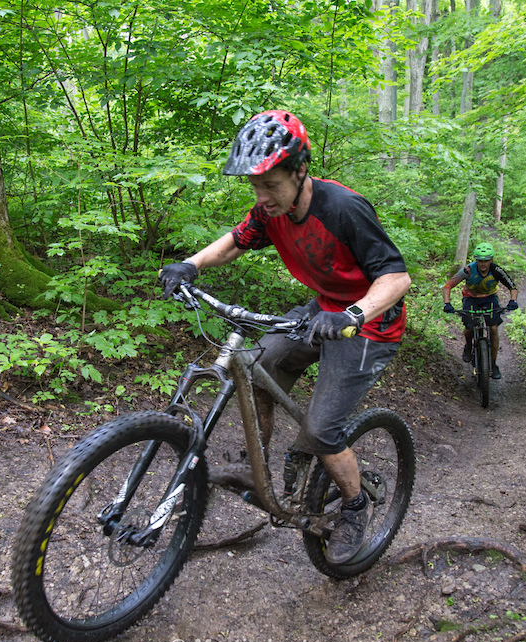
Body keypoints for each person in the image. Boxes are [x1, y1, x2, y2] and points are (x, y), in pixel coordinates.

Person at [159, 110, 411, 565]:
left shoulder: (343, 209)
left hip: (370, 322)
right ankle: (257, 470)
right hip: (323, 309)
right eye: (255, 187)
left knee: (322, 428)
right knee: (259, 365)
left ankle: (355, 506)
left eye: (270, 185)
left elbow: (396, 278)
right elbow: (236, 241)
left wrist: (352, 313)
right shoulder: (270, 212)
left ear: (300, 172)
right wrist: (192, 264)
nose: (262, 197)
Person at [442, 242, 518, 379]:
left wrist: (513, 301)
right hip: (470, 298)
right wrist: (447, 303)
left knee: (493, 329)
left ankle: (493, 364)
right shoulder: (468, 270)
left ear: (491, 260)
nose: (483, 264)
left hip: (490, 299)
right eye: (480, 261)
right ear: (476, 260)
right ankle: (468, 345)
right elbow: (448, 286)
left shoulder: (496, 270)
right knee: (469, 326)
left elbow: (513, 287)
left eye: (486, 261)